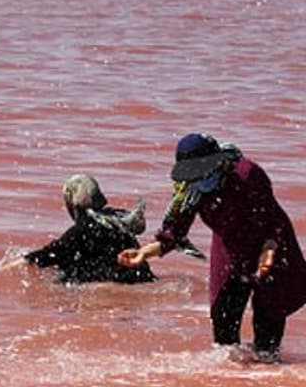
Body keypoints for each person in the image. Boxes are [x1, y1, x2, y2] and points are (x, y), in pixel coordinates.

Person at [119, 133, 306, 362]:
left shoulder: (247, 174)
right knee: (223, 320)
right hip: (230, 247)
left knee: (268, 321)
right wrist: (144, 252)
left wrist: (268, 250)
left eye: (205, 173)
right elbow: (174, 232)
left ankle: (267, 371)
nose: (201, 180)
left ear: (219, 163)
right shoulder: (188, 189)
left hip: (272, 243)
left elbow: (270, 218)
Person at [22, 174, 155, 284]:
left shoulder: (80, 231)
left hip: (108, 287)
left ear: (71, 204)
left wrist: (4, 270)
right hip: (143, 280)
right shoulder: (119, 220)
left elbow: (45, 255)